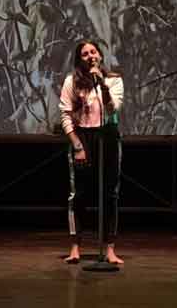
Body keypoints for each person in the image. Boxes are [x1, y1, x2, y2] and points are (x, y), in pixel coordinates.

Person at [59, 40, 124, 265]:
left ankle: (110, 249)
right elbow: (65, 115)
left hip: (107, 136)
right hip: (82, 137)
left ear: (100, 56)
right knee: (79, 193)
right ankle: (76, 247)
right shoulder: (71, 82)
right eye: (85, 54)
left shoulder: (113, 80)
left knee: (110, 193)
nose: (90, 56)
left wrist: (102, 84)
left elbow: (113, 108)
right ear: (79, 59)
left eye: (93, 52)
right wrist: (77, 146)